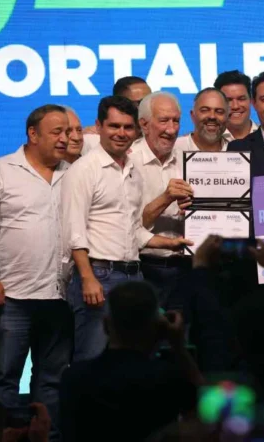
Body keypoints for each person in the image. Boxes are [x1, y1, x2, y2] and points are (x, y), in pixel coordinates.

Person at [0, 104, 74, 438]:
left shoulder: (73, 173)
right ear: (33, 134)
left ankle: (48, 438)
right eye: (57, 132)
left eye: (68, 132)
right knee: (4, 377)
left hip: (60, 296)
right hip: (11, 295)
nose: (65, 138)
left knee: (52, 379)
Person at [62, 95, 192, 363]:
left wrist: (169, 243)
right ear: (99, 126)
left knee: (134, 357)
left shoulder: (132, 170)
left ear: (136, 130)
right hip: (99, 274)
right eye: (114, 126)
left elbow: (134, 229)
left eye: (127, 127)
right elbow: (74, 231)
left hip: (134, 274)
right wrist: (87, 278)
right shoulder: (84, 169)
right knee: (92, 358)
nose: (121, 133)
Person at [59, 281, 200, 442]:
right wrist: (178, 346)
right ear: (157, 328)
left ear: (106, 325)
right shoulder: (167, 379)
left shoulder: (74, 379)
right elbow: (207, 413)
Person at [131, 92, 194, 310]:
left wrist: (195, 211)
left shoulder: (188, 158)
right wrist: (166, 198)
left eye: (176, 121)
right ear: (144, 124)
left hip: (184, 269)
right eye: (164, 120)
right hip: (143, 269)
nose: (172, 129)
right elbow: (128, 226)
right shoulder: (128, 161)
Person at [81, 76, 152, 154]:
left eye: (149, 101)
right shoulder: (92, 140)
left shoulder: (157, 137)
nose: (147, 107)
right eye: (140, 103)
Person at [214, 70, 259, 141]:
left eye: (241, 99)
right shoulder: (207, 139)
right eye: (228, 100)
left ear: (251, 100)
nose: (235, 106)